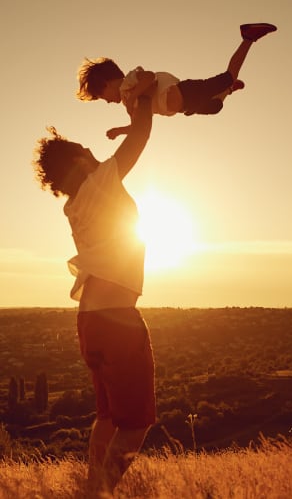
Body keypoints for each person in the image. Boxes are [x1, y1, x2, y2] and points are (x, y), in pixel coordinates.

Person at [33, 82, 156, 496]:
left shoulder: (76, 204)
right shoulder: (100, 181)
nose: (93, 153)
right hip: (117, 320)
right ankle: (99, 494)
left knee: (107, 416)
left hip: (90, 321)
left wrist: (132, 120)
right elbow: (141, 137)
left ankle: (91, 488)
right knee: (136, 423)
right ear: (83, 162)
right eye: (87, 151)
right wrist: (144, 97)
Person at [77, 22, 277, 139]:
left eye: (102, 97)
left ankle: (247, 37)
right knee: (216, 107)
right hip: (185, 106)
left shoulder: (129, 82)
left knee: (227, 76)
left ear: (107, 83)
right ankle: (229, 89)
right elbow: (138, 127)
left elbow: (150, 78)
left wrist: (133, 97)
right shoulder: (129, 103)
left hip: (183, 91)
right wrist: (119, 131)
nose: (108, 101)